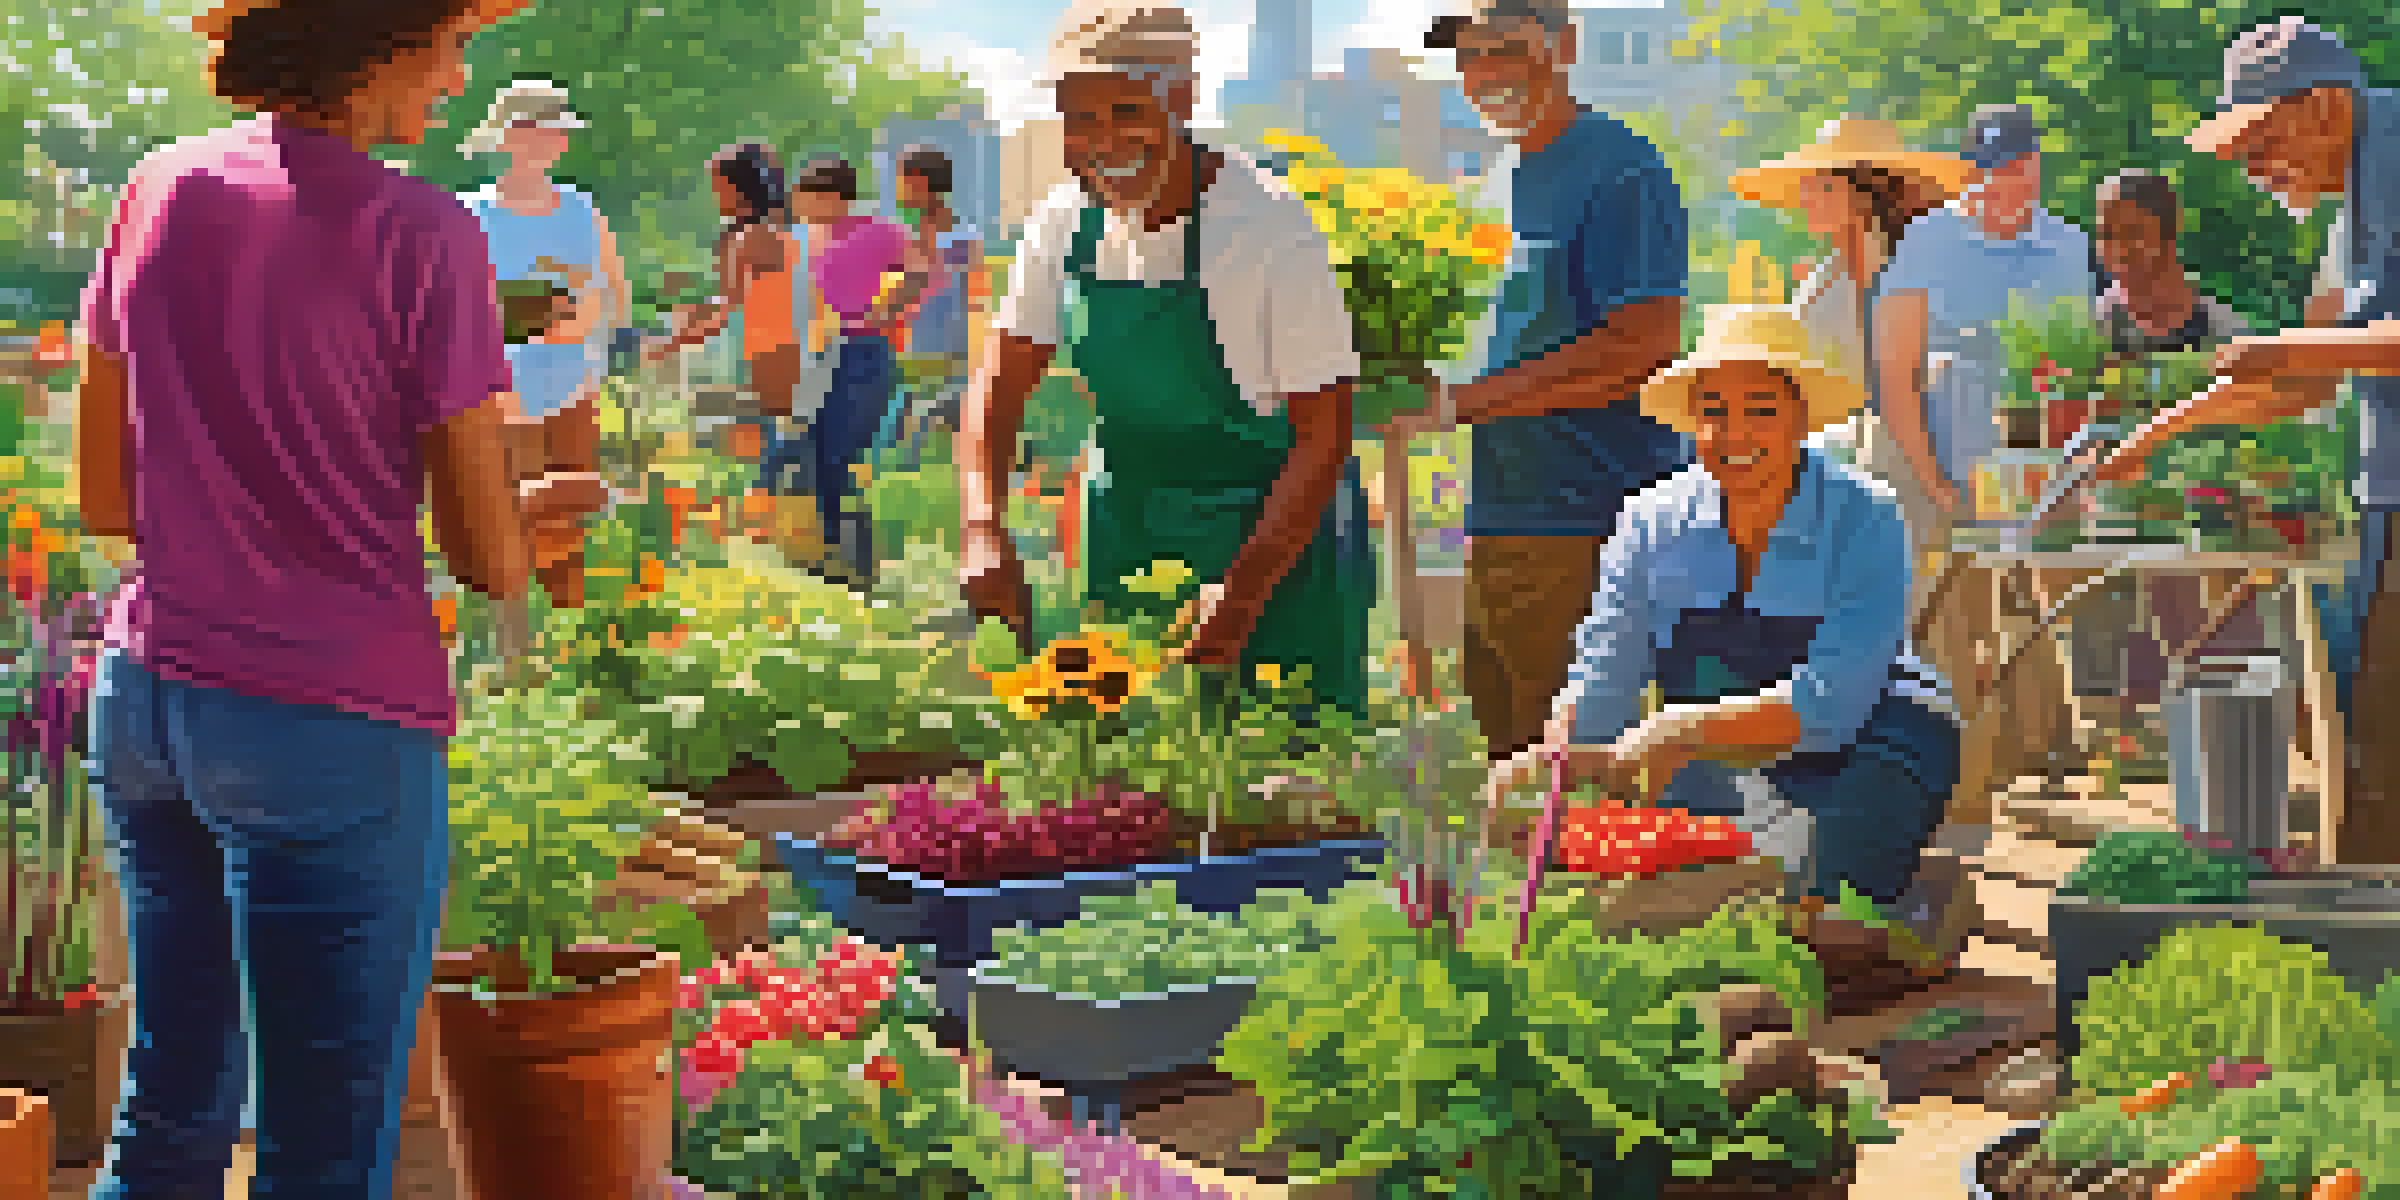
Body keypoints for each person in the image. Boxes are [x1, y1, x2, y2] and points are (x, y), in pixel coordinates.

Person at [75, 0, 603, 1194]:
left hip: (151, 702)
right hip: (332, 724)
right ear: (374, 38)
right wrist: (541, 515)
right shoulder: (423, 231)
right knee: (323, 1155)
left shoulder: (160, 185)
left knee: (167, 1114)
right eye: (451, 46)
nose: (458, 81)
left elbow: (107, 498)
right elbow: (488, 560)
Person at [960, 0, 1374, 712]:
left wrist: (1242, 593)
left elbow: (1324, 432)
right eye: (1081, 120)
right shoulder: (1062, 223)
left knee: (1285, 754)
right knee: (1127, 753)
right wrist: (981, 527)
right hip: (1128, 531)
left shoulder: (1267, 226)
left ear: (1181, 98)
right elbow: (1000, 381)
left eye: (1128, 112)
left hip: (1274, 539)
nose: (1105, 142)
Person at [1479, 305, 1959, 906]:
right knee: (1676, 895)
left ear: (1801, 417)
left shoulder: (1868, 518)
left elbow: (1833, 705)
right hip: (1715, 752)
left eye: (1761, 410)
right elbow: (1604, 678)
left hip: (1876, 733)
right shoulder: (1649, 522)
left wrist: (1680, 728)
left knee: (1828, 911)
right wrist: (1550, 765)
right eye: (1714, 412)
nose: (1735, 435)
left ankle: (1898, 897)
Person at [2098, 16, 2400, 859]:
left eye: (2262, 147)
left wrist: (2291, 348)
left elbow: (2307, 357)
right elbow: (2306, 381)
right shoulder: (2348, 216)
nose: (2256, 173)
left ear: (2323, 108)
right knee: (2372, 734)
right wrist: (2158, 435)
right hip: (2386, 494)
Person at [1389, 0, 1692, 762]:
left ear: (1565, 45)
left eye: (1505, 50)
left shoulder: (1619, 169)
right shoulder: (1499, 176)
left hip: (1591, 520)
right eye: (1468, 57)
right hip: (1507, 512)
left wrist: (1460, 403)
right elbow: (1506, 341)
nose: (1484, 73)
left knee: (1571, 766)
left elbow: (1643, 345)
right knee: (1509, 753)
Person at [1873, 103, 2094, 831]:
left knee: (2027, 618)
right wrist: (1931, 478)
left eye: (2018, 169)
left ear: (2037, 165)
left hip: (2032, 468)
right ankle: (1958, 794)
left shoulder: (2067, 246)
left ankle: (2034, 767)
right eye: (1988, 172)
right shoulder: (1926, 242)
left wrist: (2070, 469)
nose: (2004, 186)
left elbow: (2076, 369)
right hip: (1940, 465)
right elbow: (1896, 373)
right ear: (1968, 172)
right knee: (1948, 628)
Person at [2071, 170, 2255, 748]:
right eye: (2107, 236)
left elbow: (2251, 433)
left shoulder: (2221, 330)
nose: (2118, 250)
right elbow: (2069, 431)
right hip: (2113, 517)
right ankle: (2117, 727)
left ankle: (2217, 725)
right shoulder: (2090, 330)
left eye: (2134, 234)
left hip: (2209, 514)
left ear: (2168, 235)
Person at [1727, 117, 1974, 486]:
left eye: (1820, 184)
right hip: (1834, 468)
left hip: (1910, 467)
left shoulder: (1922, 273)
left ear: (1864, 193)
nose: (1804, 196)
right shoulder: (1823, 280)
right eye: (1806, 183)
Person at [461, 78, 624, 634]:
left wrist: (589, 318)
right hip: (501, 390)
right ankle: (508, 640)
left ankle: (568, 637)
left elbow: (613, 290)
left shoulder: (582, 209)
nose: (548, 142)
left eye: (556, 132)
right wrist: (522, 327)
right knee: (510, 510)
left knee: (572, 511)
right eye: (535, 131)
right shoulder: (472, 213)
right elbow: (457, 306)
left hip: (574, 384)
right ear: (506, 138)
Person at [785, 156, 928, 586]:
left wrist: (882, 311)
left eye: (805, 198)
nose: (799, 206)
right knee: (814, 448)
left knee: (842, 451)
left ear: (831, 196)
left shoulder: (881, 231)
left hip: (866, 350)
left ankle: (856, 561)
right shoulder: (808, 237)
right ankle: (829, 552)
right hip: (819, 352)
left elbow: (919, 275)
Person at [649, 143, 808, 499]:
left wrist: (673, 343)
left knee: (779, 443)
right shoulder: (792, 229)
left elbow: (728, 308)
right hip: (797, 344)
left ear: (742, 188)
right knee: (788, 437)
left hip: (773, 349)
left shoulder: (747, 238)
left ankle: (769, 504)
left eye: (719, 187)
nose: (715, 196)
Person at [889, 144, 987, 464]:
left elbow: (974, 296)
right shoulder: (908, 235)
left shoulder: (962, 237)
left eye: (904, 182)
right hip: (913, 343)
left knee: (940, 409)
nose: (900, 191)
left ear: (923, 182)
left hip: (951, 346)